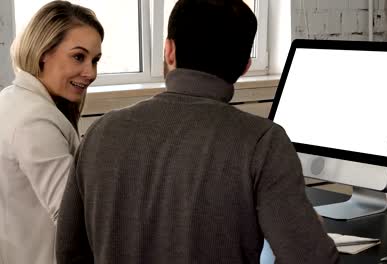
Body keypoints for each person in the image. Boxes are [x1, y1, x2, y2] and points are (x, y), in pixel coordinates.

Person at [56, 0, 339, 263]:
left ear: (169, 51)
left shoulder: (100, 132)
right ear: (245, 66)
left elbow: (69, 253)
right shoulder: (263, 142)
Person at [0, 1, 103, 263]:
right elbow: (71, 217)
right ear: (43, 53)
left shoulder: (11, 98)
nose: (90, 73)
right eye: (78, 57)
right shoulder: (35, 121)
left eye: (95, 60)